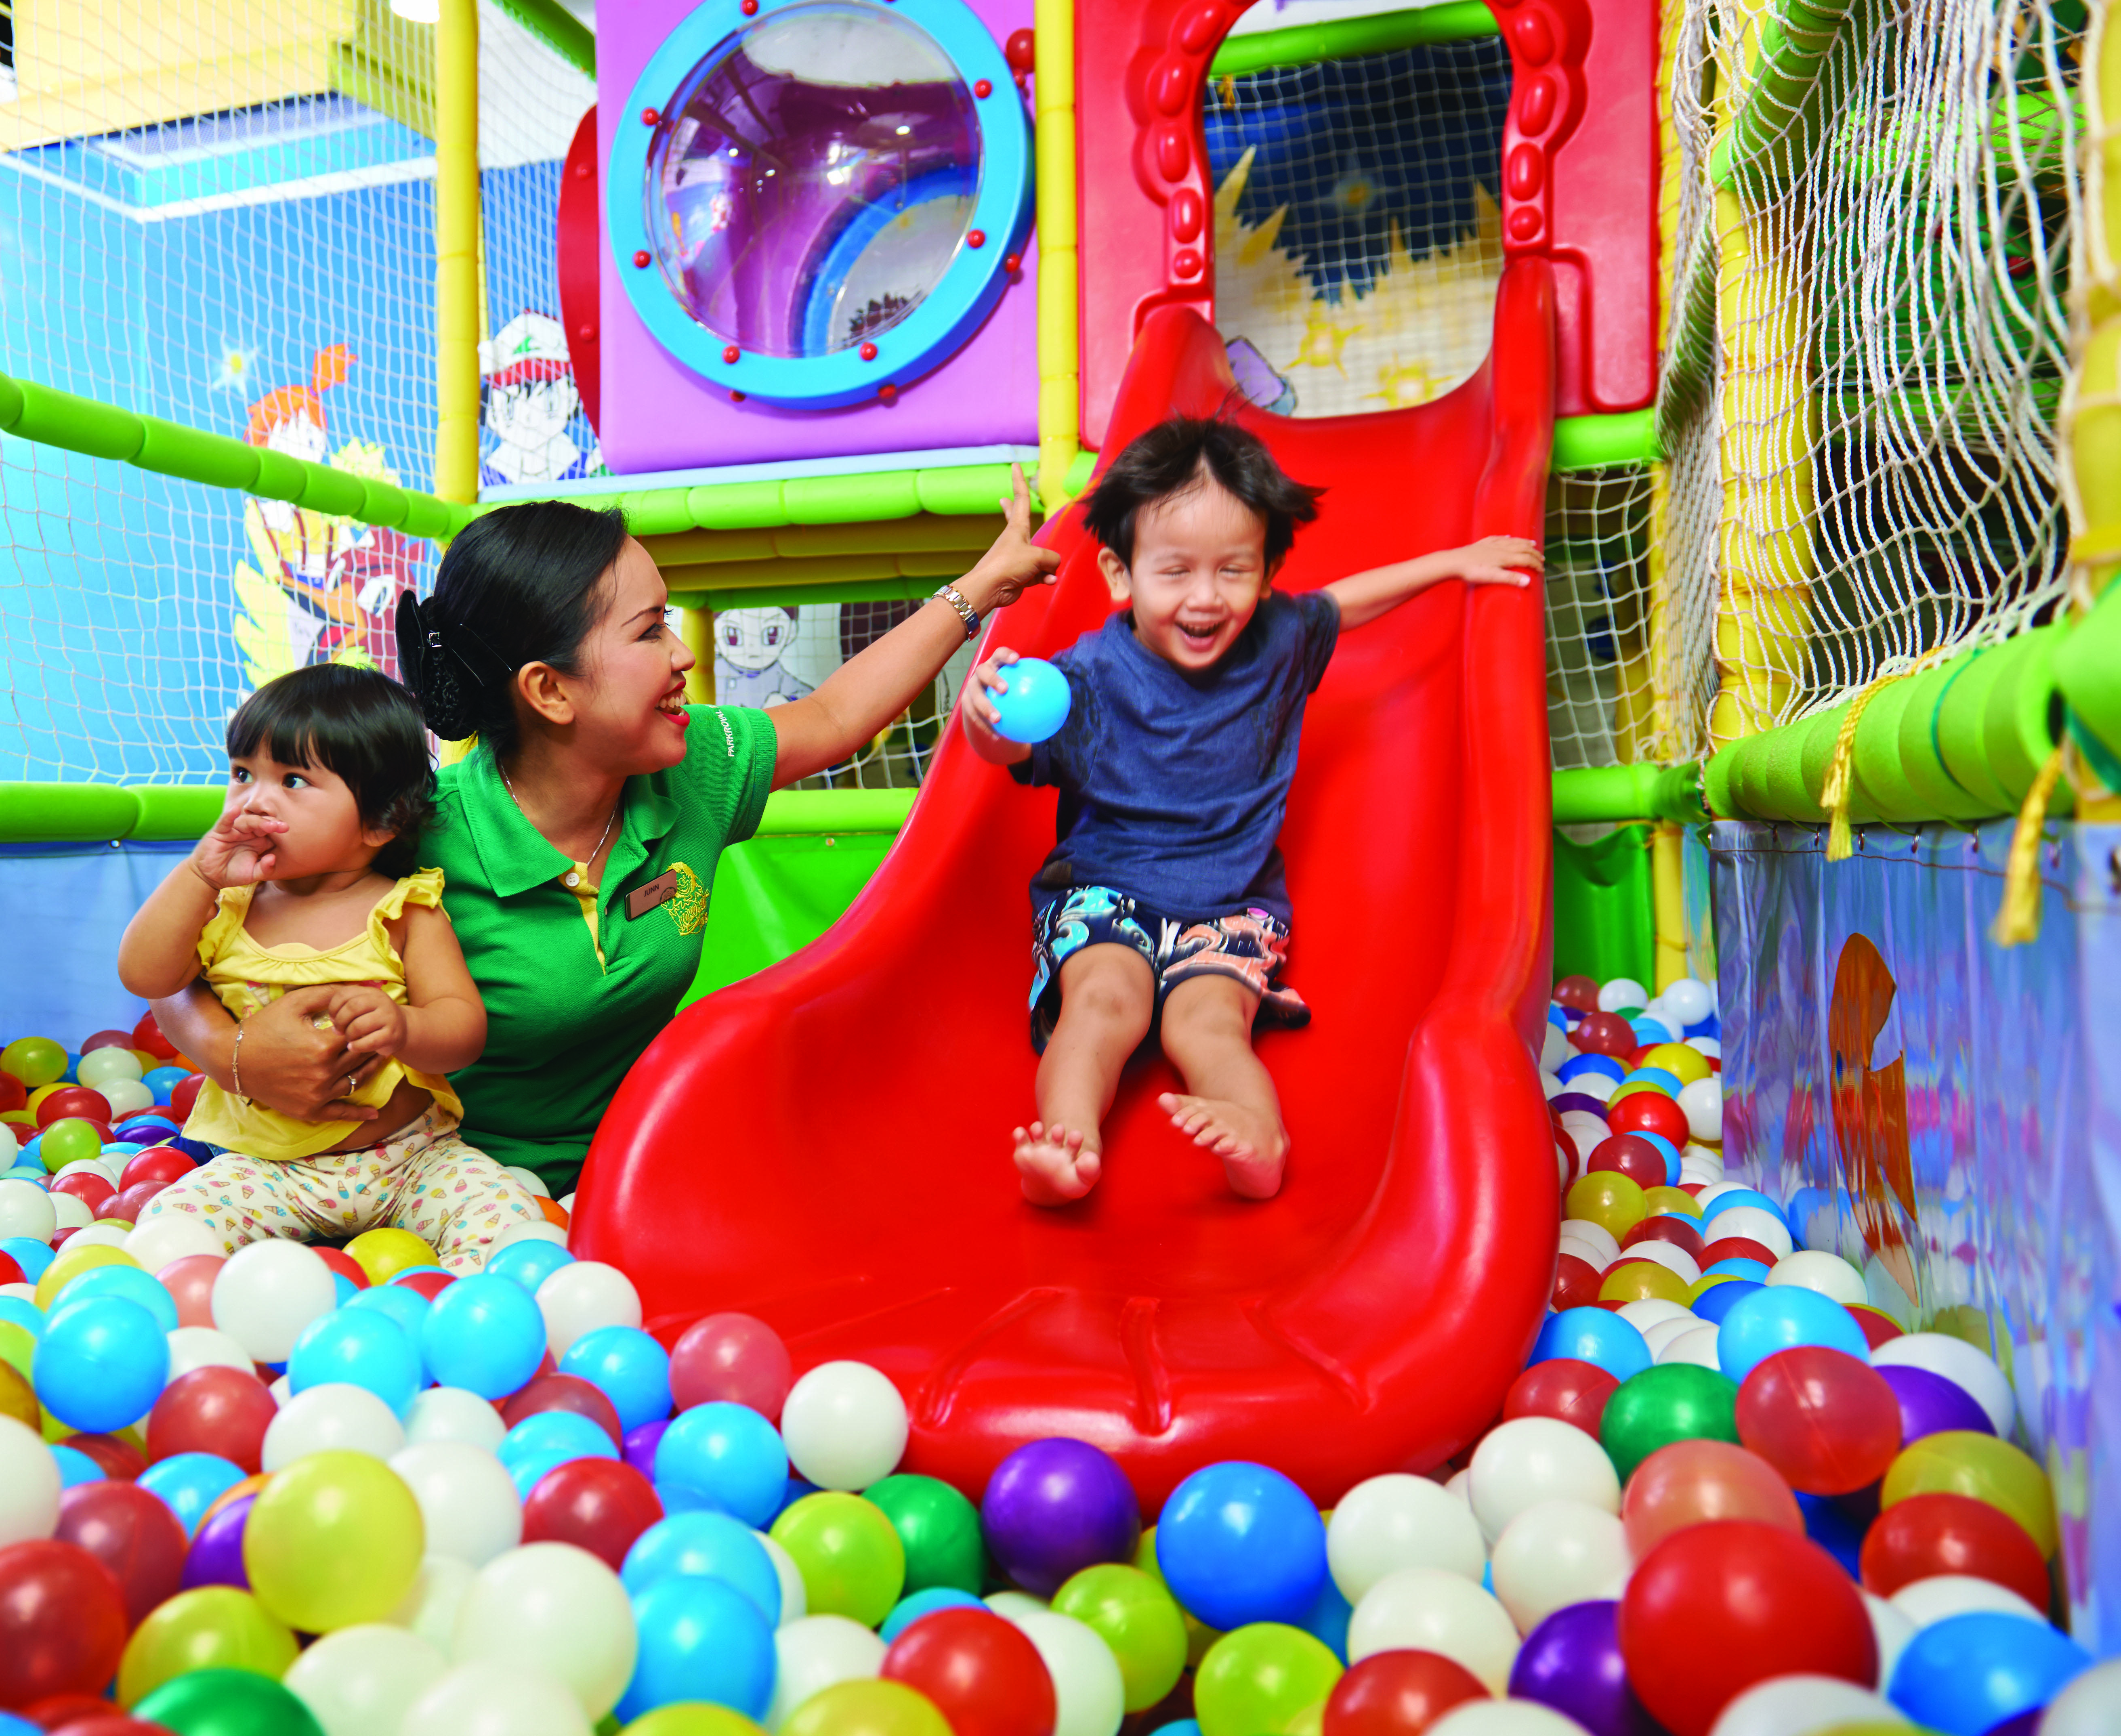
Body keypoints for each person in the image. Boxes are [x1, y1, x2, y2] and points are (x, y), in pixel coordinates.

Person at [154, 471, 1064, 1234]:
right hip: (447, 1182)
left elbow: (831, 717)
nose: (682, 657)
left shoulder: (691, 764)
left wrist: (982, 587)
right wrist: (235, 1056)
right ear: (550, 691)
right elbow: (189, 958)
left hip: (639, 1163)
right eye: (649, 631)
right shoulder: (417, 829)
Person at [958, 416, 1542, 1207]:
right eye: (1175, 571)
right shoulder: (1088, 676)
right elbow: (1014, 753)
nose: (1205, 597)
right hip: (1104, 888)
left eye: (1233, 570)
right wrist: (980, 725)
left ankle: (1256, 1140)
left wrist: (1453, 564)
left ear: (1266, 574)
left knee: (1206, 1025)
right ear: (1121, 573)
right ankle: (1068, 1145)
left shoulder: (1276, 641)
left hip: (1231, 903)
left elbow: (1341, 601)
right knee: (1103, 1000)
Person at [118, 664, 539, 1265]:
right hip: (264, 1169)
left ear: (382, 821)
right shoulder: (224, 906)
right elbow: (144, 976)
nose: (253, 800)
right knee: (173, 1233)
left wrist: (404, 1029)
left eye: (291, 780)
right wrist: (197, 875)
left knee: (509, 1223)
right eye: (241, 774)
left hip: (411, 1160)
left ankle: (457, 1311)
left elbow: (462, 1030)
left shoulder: (403, 910)